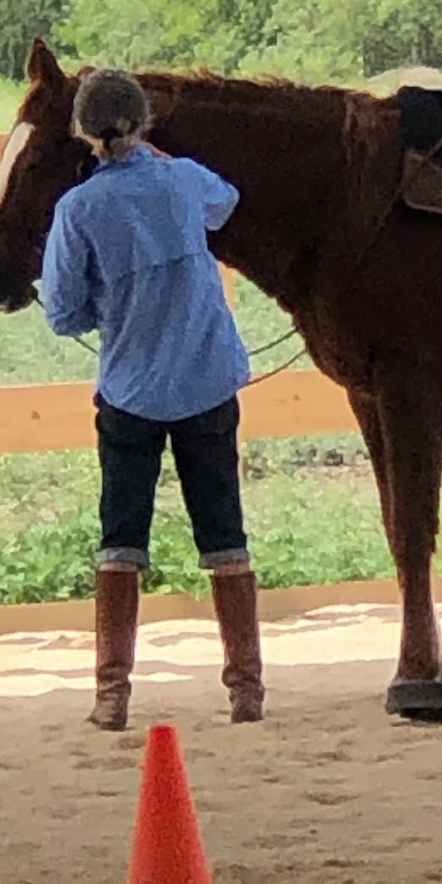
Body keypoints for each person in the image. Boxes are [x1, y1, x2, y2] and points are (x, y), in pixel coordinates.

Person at [40, 68, 263, 731]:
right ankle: (245, 688)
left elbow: (62, 312)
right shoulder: (183, 179)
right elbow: (226, 201)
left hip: (131, 389)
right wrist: (162, 162)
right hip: (206, 377)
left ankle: (113, 693)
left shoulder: (77, 209)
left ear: (82, 132)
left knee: (121, 537)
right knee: (224, 532)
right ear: (144, 123)